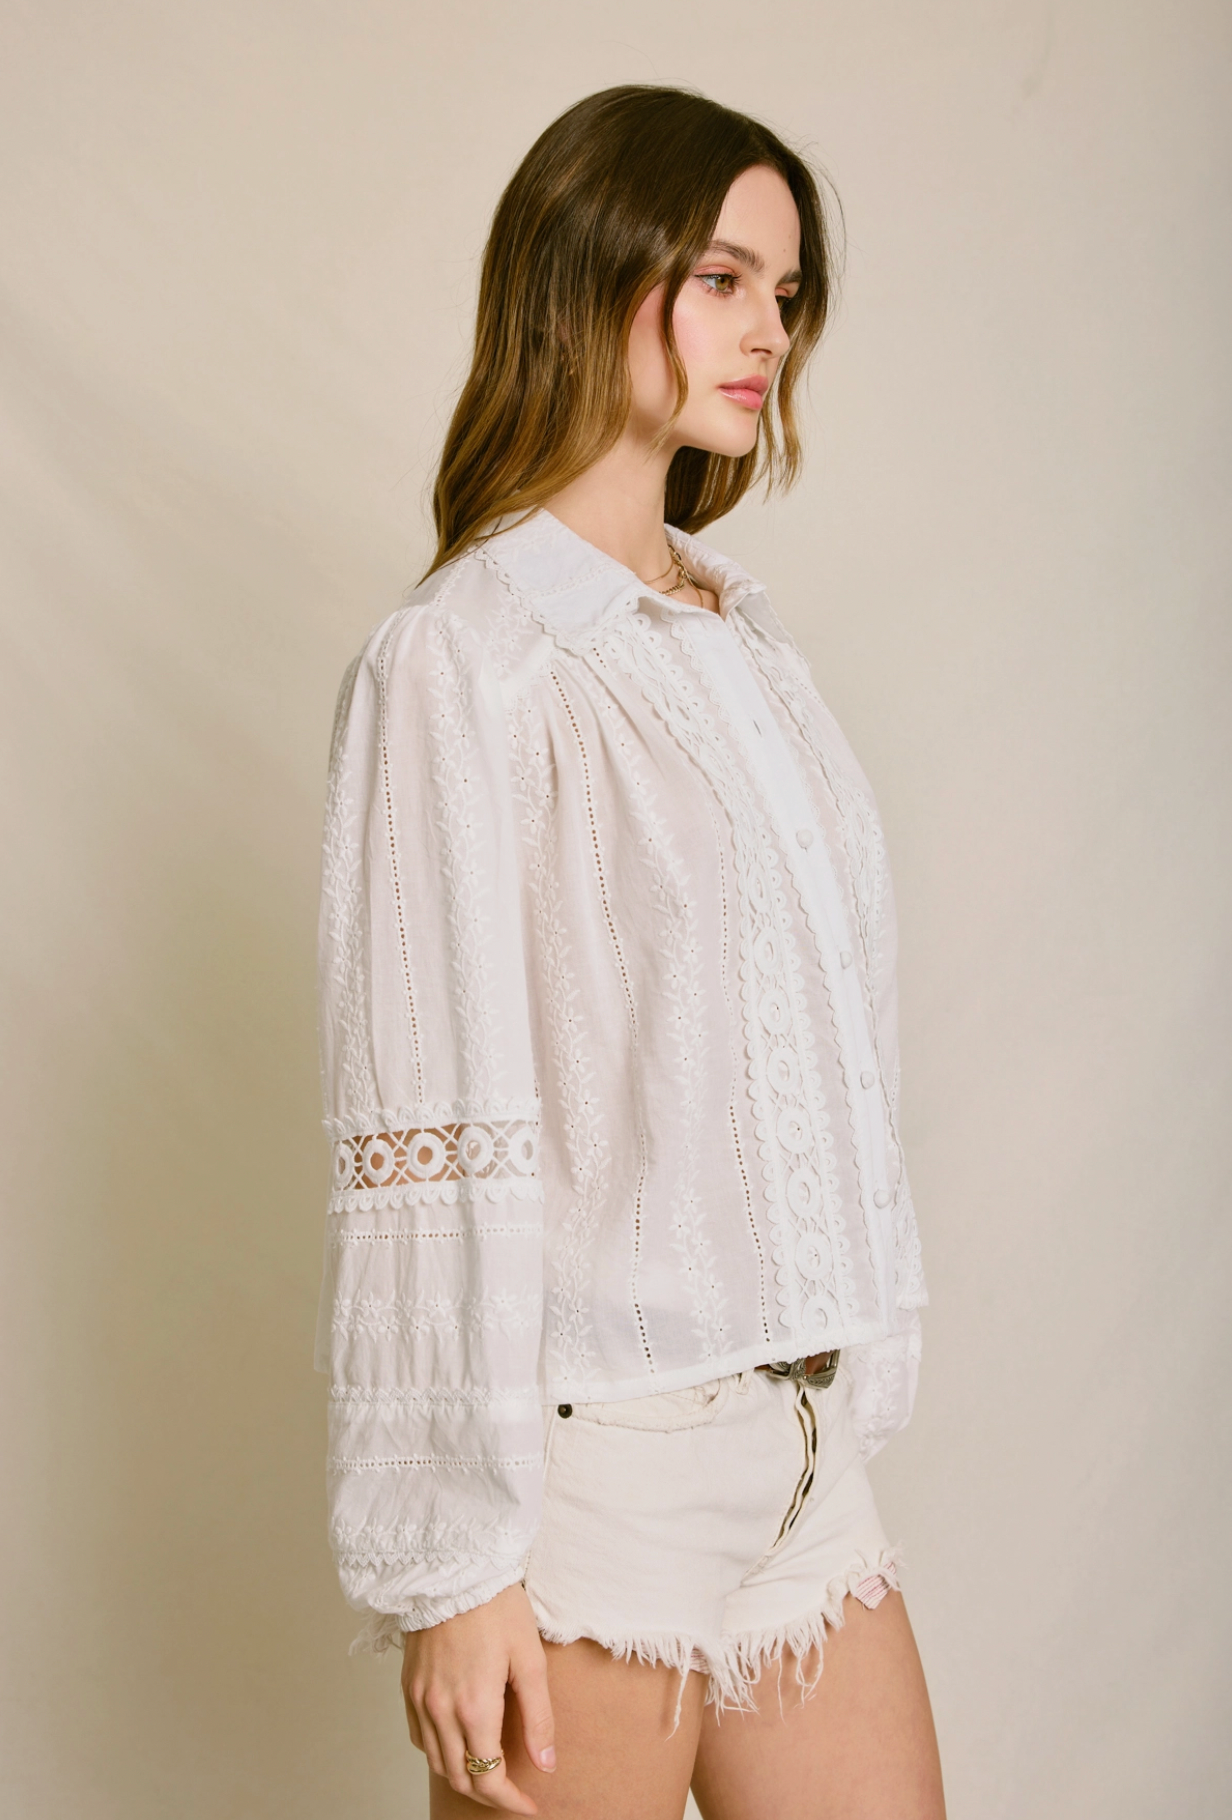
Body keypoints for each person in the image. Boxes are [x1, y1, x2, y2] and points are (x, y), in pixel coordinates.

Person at [316, 84, 944, 1820]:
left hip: (799, 1453)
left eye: (786, 295)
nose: (770, 333)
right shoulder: (464, 658)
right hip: (596, 1480)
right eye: (723, 278)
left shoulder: (745, 640)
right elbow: (423, 1125)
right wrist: (456, 1562)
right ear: (592, 270)